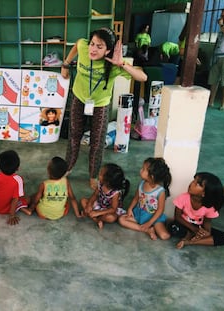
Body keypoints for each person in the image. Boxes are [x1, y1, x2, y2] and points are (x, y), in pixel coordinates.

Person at [61, 28, 147, 190]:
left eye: (99, 47)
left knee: (97, 141)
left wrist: (121, 63)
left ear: (108, 50)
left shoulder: (114, 65)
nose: (93, 49)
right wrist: (66, 64)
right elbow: (77, 45)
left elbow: (143, 77)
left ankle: (93, 175)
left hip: (100, 104)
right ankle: (68, 167)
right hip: (79, 98)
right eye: (92, 44)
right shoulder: (84, 47)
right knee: (74, 135)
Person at [168, 172, 224, 249]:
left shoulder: (209, 207)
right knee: (173, 227)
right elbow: (178, 217)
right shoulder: (183, 198)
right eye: (194, 180)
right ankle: (190, 235)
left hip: (198, 227)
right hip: (184, 224)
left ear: (204, 193)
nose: (191, 184)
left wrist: (205, 233)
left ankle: (189, 242)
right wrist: (193, 229)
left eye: (198, 184)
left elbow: (207, 223)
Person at [118, 157, 171, 240]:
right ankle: (147, 230)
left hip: (153, 218)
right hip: (140, 214)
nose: (140, 170)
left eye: (143, 169)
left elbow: (160, 210)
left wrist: (150, 222)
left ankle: (150, 226)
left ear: (152, 176)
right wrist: (130, 209)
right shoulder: (142, 184)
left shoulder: (160, 191)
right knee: (122, 219)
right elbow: (136, 198)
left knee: (164, 236)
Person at [0, 150, 31, 225]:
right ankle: (22, 208)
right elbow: (15, 199)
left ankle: (22, 208)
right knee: (28, 199)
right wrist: (12, 215)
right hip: (7, 209)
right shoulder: (18, 180)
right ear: (17, 168)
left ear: (0, 166)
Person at [81, 163, 130, 229]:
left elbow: (113, 209)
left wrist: (98, 213)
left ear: (108, 181)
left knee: (111, 218)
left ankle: (97, 218)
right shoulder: (101, 183)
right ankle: (96, 219)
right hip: (100, 204)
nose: (99, 174)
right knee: (83, 201)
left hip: (108, 210)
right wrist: (89, 204)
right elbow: (95, 195)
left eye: (101, 174)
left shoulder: (115, 193)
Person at [207, 8, 224, 111]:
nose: (221, 18)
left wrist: (221, 25)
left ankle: (223, 104)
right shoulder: (222, 28)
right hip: (218, 56)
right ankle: (211, 101)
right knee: (214, 80)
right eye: (221, 15)